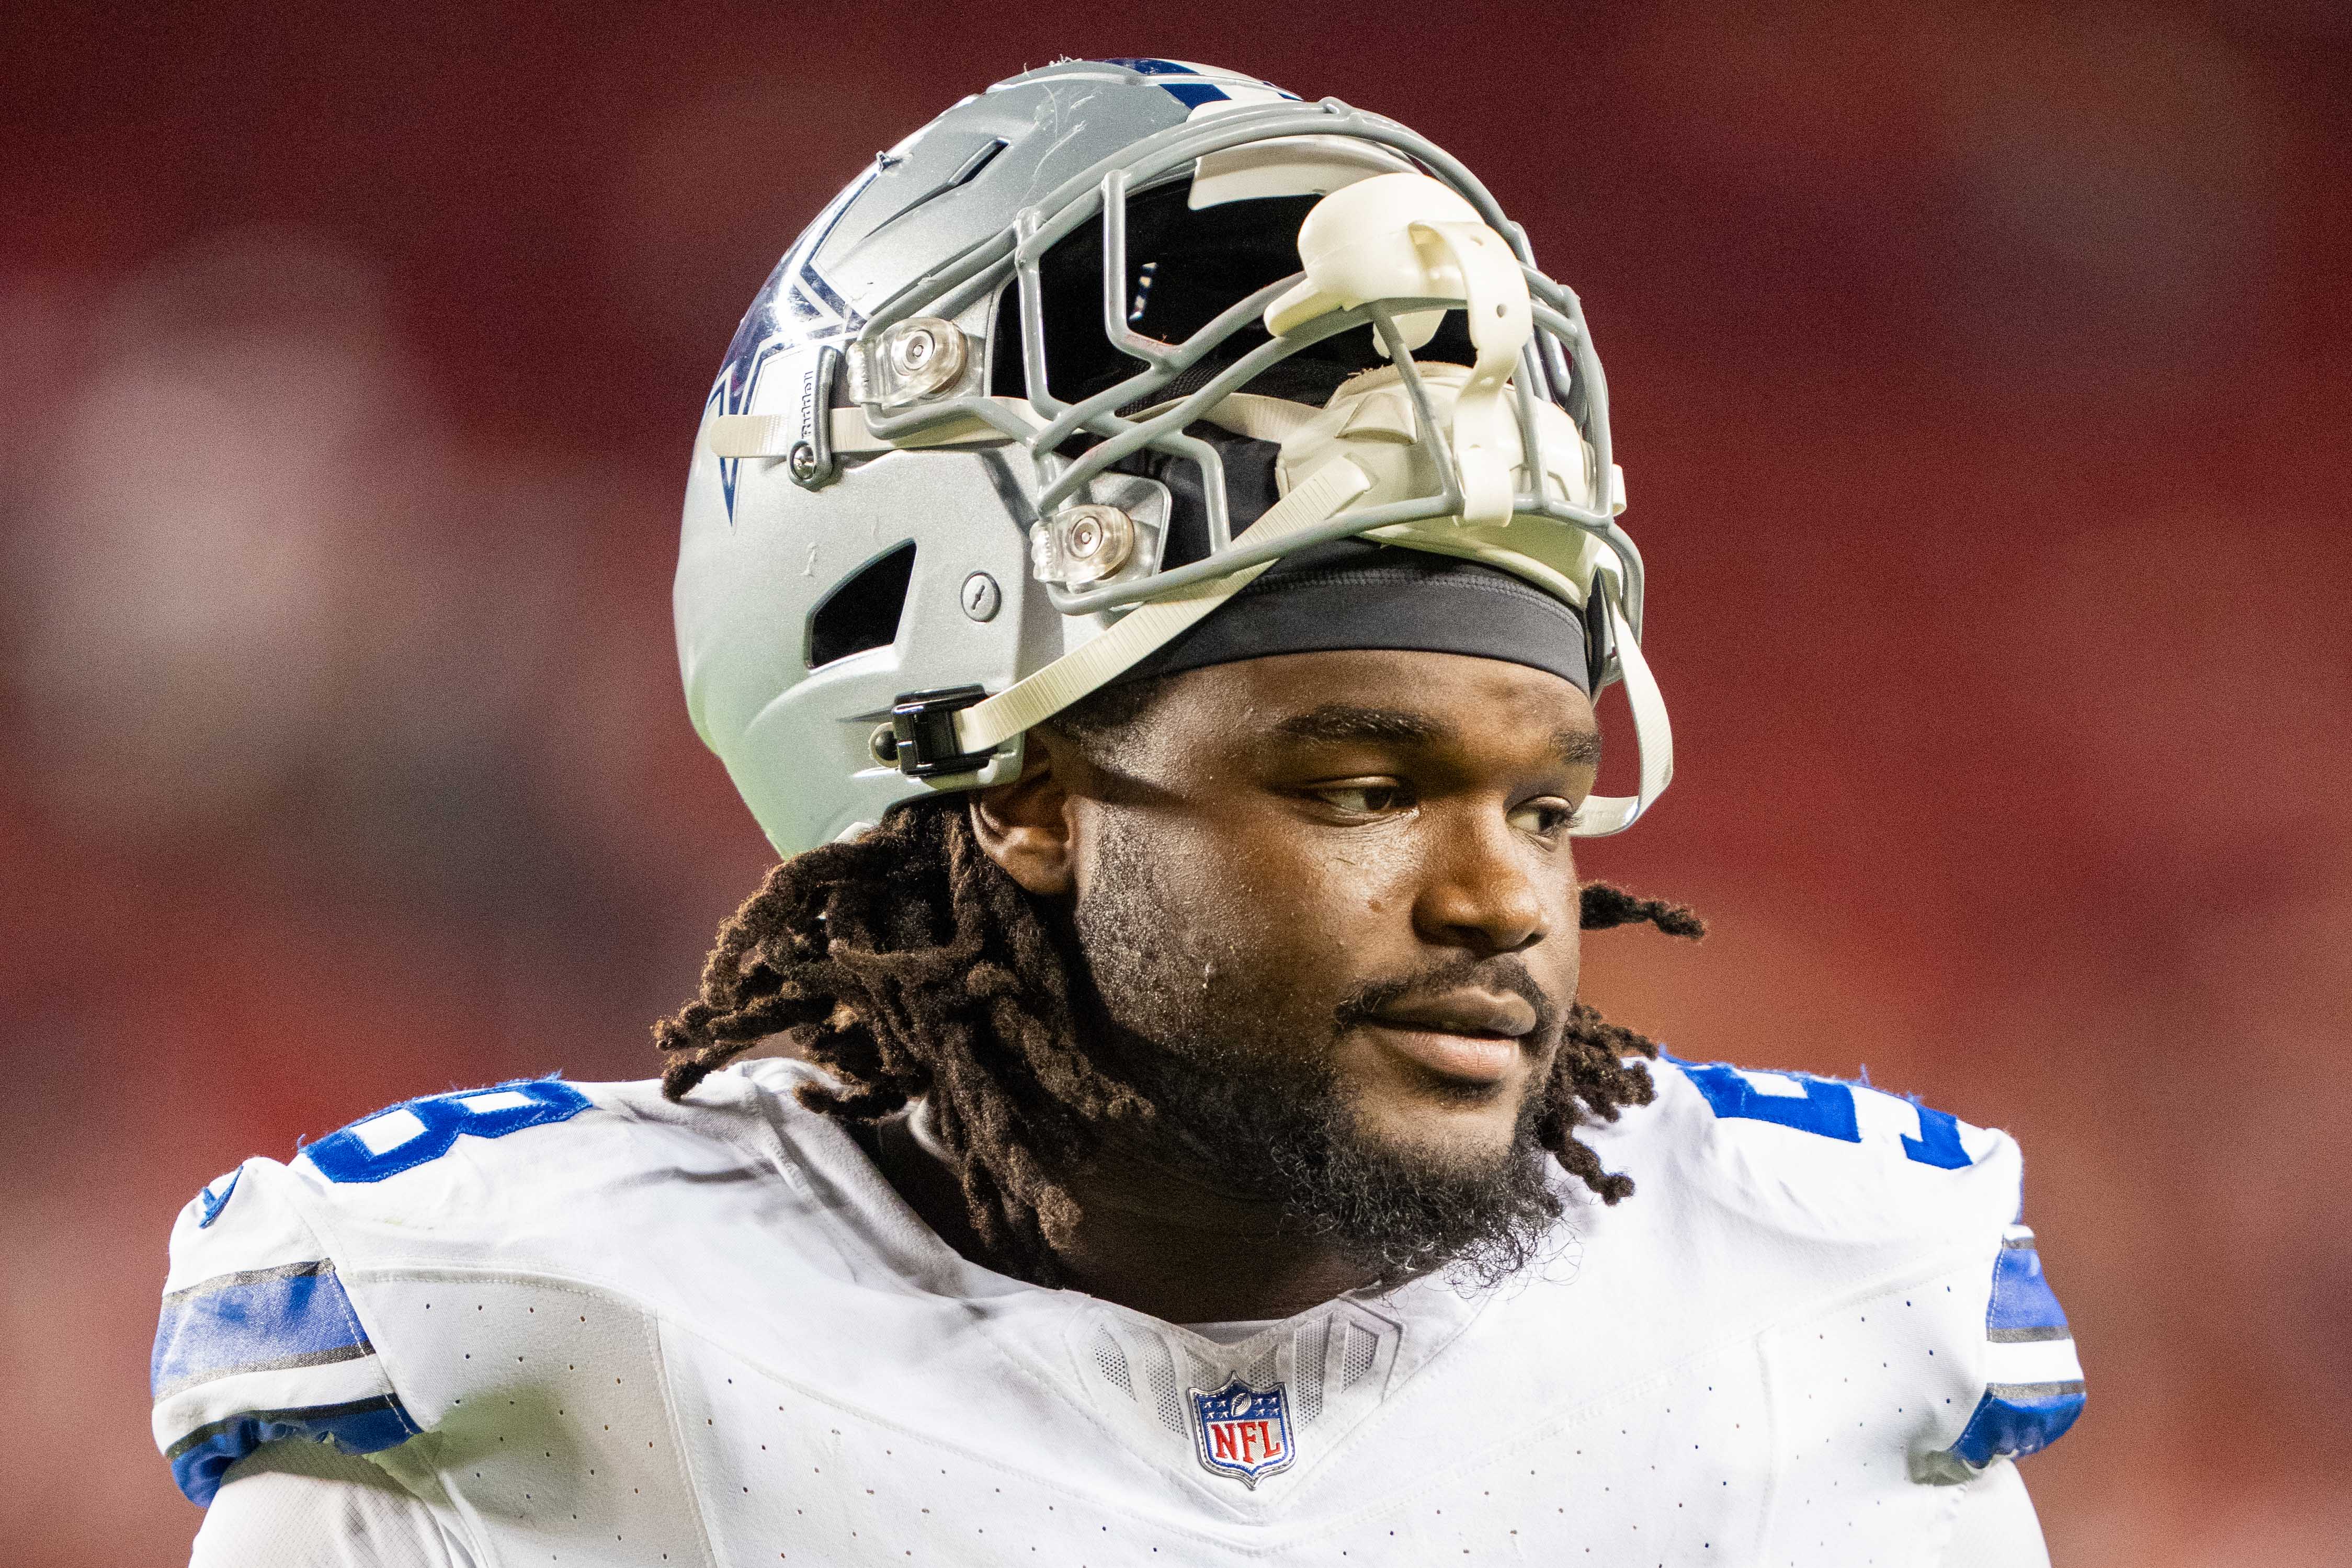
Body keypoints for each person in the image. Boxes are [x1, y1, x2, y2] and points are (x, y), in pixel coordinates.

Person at [153, 59, 2082, 1565]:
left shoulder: (1813, 1316)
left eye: (1549, 804)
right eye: (1362, 787)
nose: (1501, 898)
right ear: (1022, 797)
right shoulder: (532, 1354)